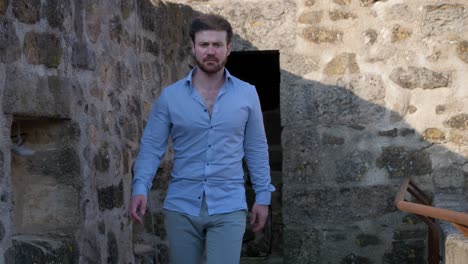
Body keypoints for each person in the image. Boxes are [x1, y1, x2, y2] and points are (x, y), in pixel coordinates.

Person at [129, 13, 275, 264]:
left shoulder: (247, 94)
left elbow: (256, 148)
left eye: (217, 45)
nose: (210, 51)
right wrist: (140, 186)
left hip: (229, 205)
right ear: (193, 47)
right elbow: (153, 145)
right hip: (182, 206)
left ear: (228, 49)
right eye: (204, 45)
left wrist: (263, 197)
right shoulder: (170, 96)